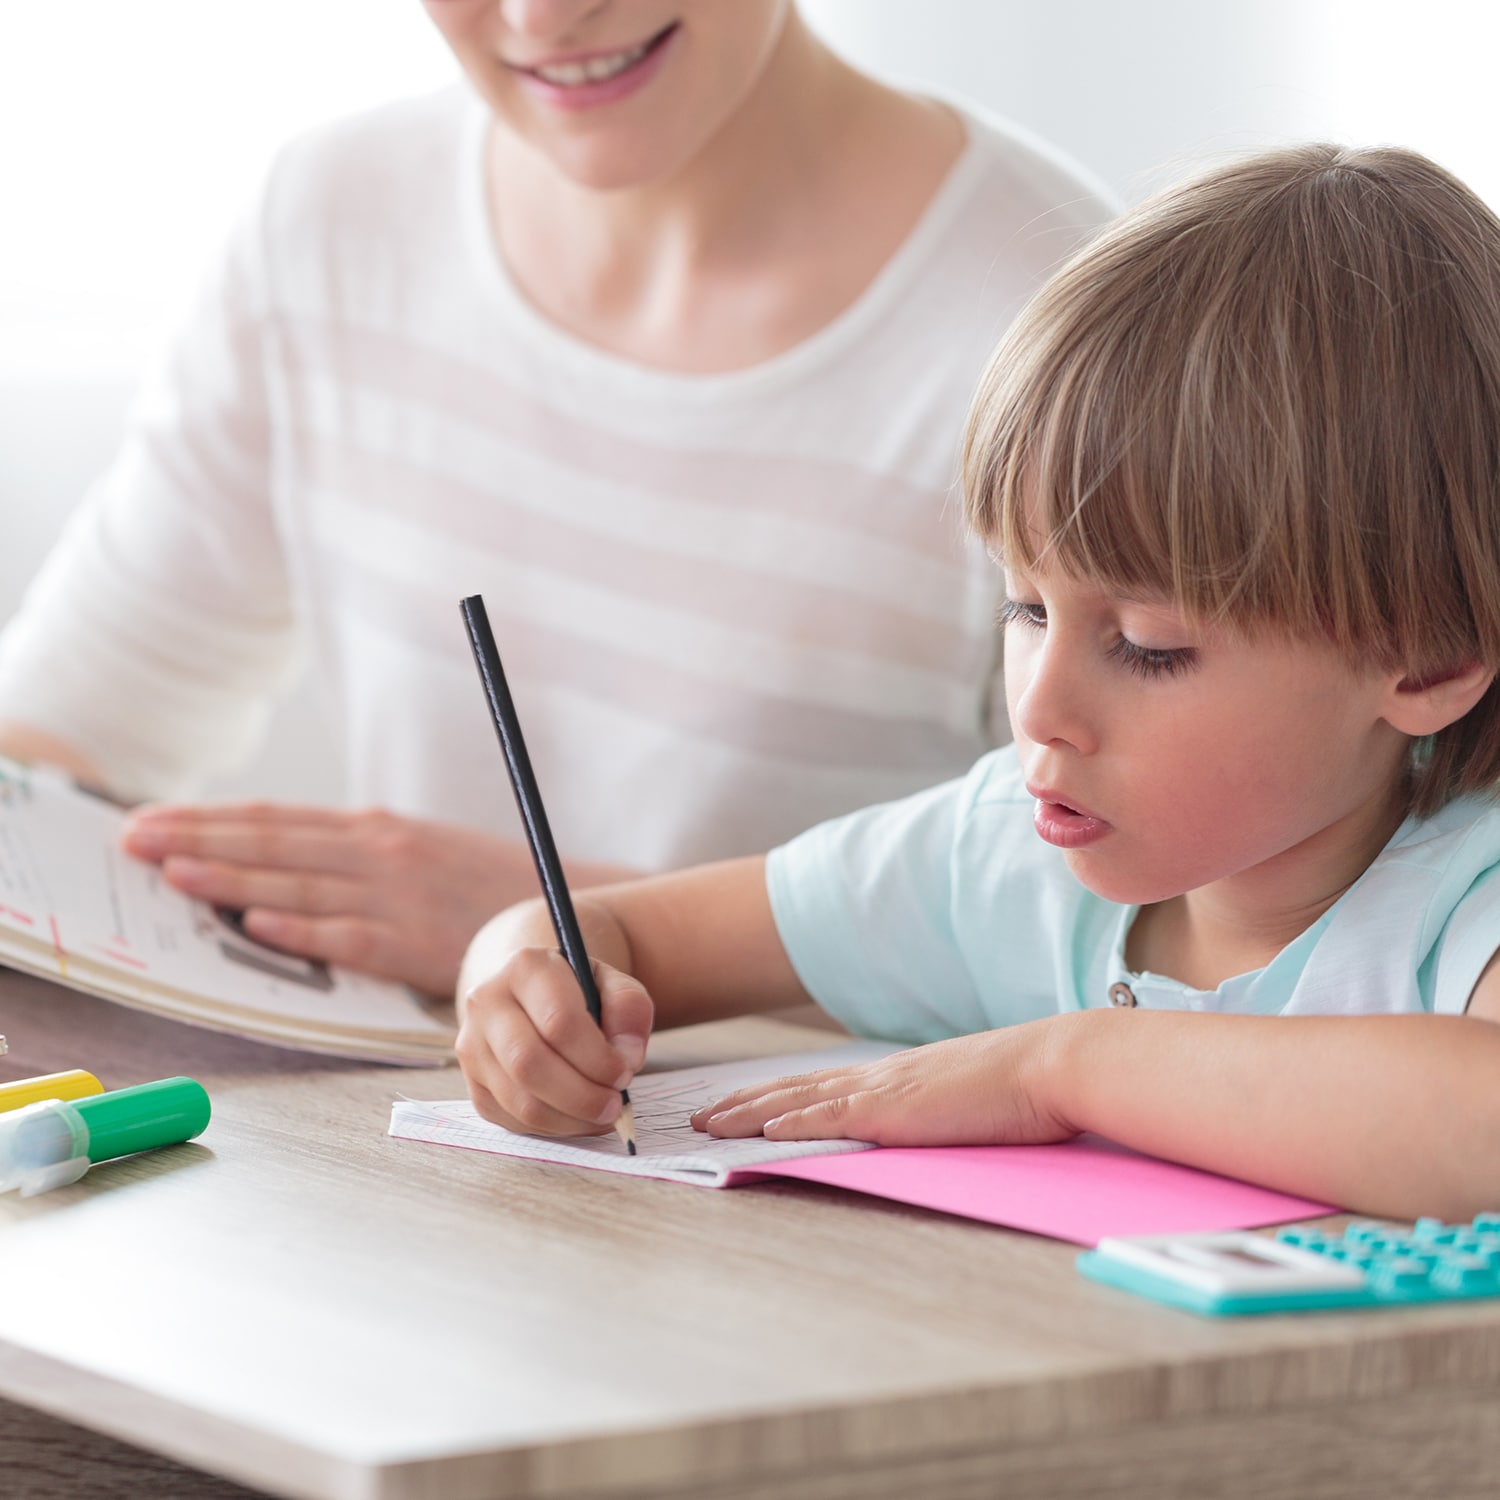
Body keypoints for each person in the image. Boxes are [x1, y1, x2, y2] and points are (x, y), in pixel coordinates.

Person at [452, 143, 1500, 1220]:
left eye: (1147, 645)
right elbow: (609, 934)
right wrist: (527, 993)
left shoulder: (1467, 897)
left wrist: (1064, 1067)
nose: (1039, 709)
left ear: (1430, 659)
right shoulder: (1003, 852)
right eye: (1026, 608)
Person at [0, 1, 1113, 999]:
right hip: (401, 1161)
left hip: (823, 1196)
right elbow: (70, 729)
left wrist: (593, 927)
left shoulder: (1068, 329)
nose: (544, 14)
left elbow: (1134, 939)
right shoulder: (330, 221)